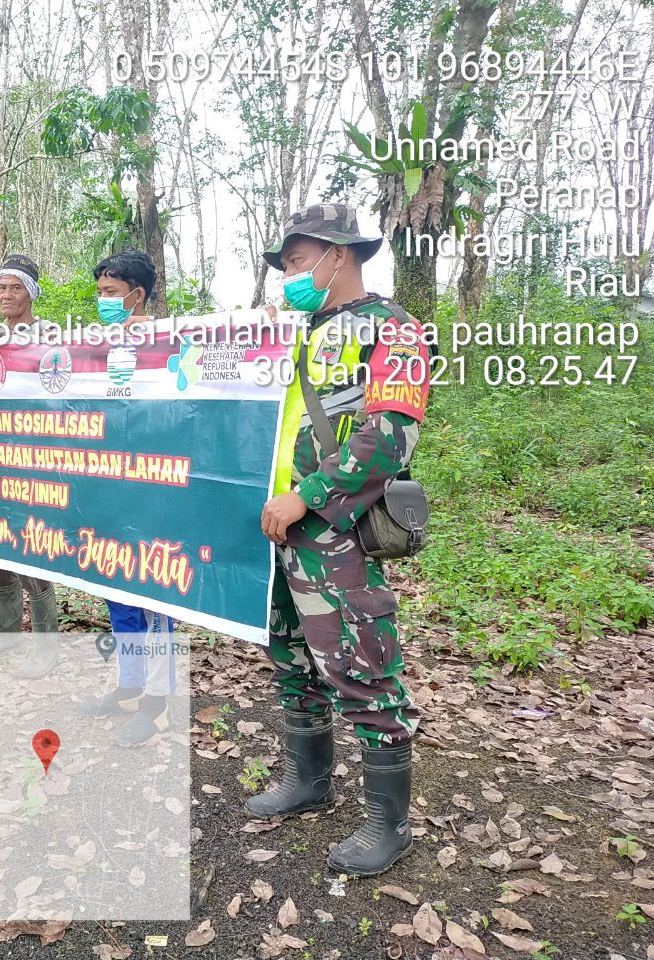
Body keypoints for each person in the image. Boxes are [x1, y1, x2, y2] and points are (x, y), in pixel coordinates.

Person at [244, 203, 431, 878]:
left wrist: (310, 496)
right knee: (291, 657)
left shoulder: (394, 330)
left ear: (338, 255)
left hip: (334, 530)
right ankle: (309, 780)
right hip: (272, 526)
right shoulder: (293, 333)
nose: (290, 277)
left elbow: (388, 438)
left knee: (361, 665)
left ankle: (389, 822)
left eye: (297, 263)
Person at [74, 250, 177, 747]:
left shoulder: (170, 341)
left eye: (111, 294)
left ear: (137, 295)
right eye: (99, 294)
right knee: (118, 594)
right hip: (108, 487)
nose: (103, 303)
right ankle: (130, 686)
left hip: (154, 490)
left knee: (153, 597)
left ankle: (158, 704)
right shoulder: (96, 345)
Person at [0, 254, 60, 678]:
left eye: (15, 288)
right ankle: (4, 634)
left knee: (30, 549)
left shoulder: (52, 336)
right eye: (1, 287)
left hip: (33, 458)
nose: (6, 295)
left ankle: (46, 646)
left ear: (31, 293)